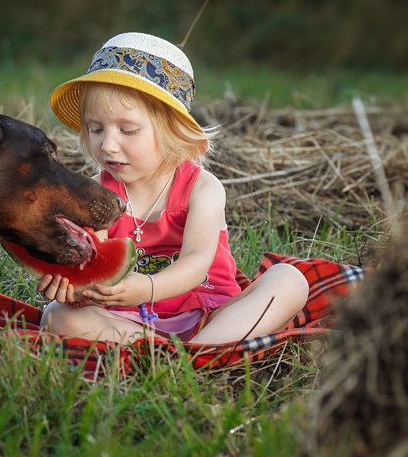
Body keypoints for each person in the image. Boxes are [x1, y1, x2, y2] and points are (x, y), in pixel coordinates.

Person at [39, 32, 309, 344]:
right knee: (56, 314)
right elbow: (95, 265)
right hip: (129, 321)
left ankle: (195, 349)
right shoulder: (97, 194)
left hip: (211, 315)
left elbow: (196, 260)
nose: (108, 145)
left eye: (127, 130)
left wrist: (149, 287)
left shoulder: (203, 188)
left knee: (290, 280)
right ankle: (186, 357)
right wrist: (76, 290)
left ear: (172, 131)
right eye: (96, 129)